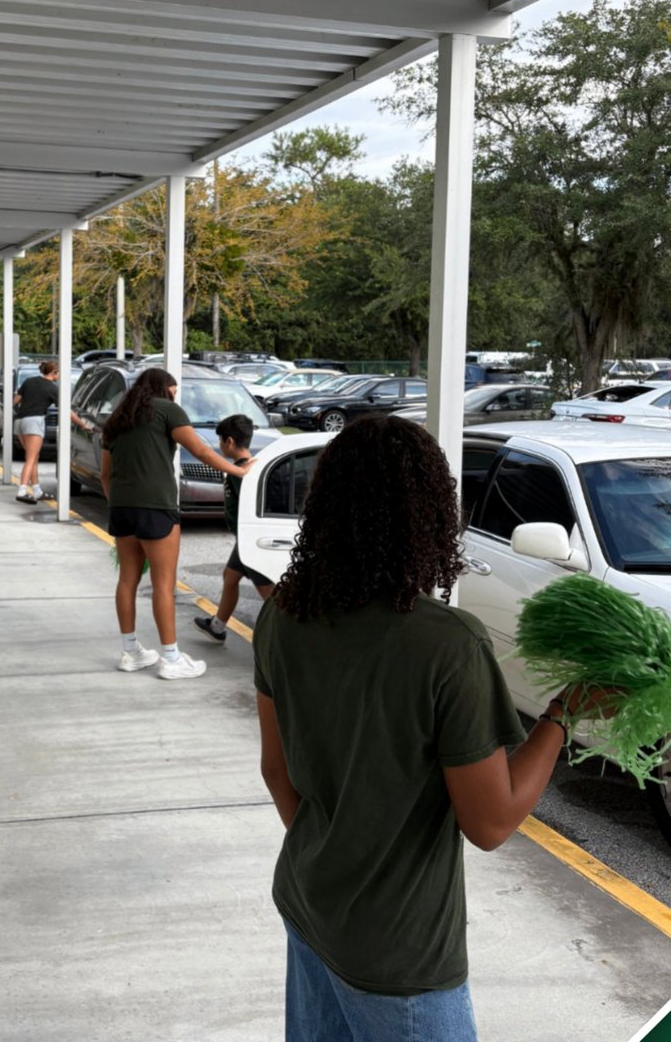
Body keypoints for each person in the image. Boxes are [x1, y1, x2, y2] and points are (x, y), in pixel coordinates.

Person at [253, 414, 614, 1041]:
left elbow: (275, 769)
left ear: (325, 507)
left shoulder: (284, 611)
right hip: (402, 956)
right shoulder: (447, 645)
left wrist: (343, 853)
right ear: (431, 515)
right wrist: (563, 713)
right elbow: (492, 822)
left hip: (310, 905)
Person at [101, 368, 253, 680]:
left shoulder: (116, 420)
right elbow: (199, 450)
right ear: (165, 388)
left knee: (127, 580)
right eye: (174, 388)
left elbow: (106, 474)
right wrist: (239, 472)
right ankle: (170, 657)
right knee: (163, 583)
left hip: (122, 508)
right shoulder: (168, 410)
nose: (175, 393)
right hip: (156, 507)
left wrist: (118, 502)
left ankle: (130, 652)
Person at [194, 413, 273, 643]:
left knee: (268, 592)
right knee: (230, 577)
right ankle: (217, 626)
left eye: (220, 441)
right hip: (244, 539)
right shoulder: (248, 468)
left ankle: (286, 632)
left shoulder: (242, 473)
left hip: (250, 540)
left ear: (229, 442)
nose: (220, 447)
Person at [13, 360, 88, 503]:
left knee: (33, 456)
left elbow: (16, 400)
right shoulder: (53, 388)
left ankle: (37, 491)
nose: (59, 376)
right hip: (34, 422)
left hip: (19, 422)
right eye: (59, 373)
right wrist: (82, 424)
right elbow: (66, 410)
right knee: (31, 458)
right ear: (54, 373)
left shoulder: (29, 381)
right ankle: (22, 490)